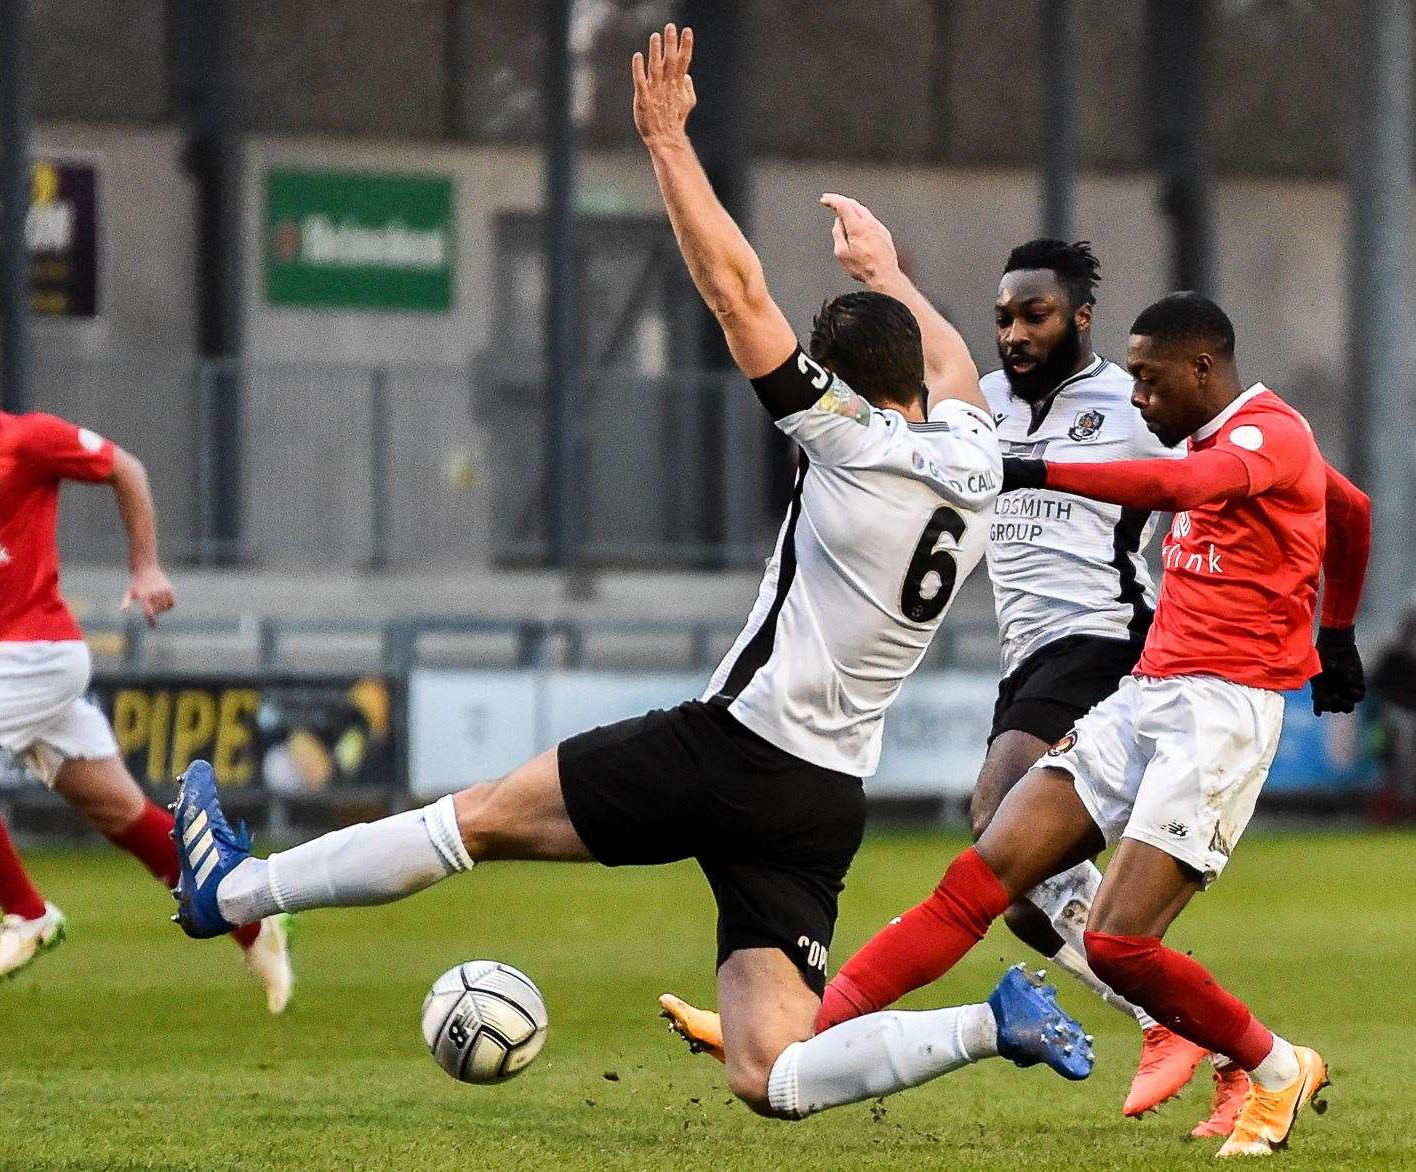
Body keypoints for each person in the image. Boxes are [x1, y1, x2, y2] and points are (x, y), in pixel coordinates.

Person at [169, 24, 1094, 1119]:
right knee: (769, 1072)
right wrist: (888, 272)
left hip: (732, 749)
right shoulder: (973, 448)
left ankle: (229, 887)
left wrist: (666, 144)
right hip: (821, 796)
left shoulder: (850, 436)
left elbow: (737, 293)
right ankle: (991, 1022)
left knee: (473, 821)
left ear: (838, 385)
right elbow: (946, 359)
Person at [792, 292, 1368, 1157]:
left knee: (1117, 942)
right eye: (1129, 378)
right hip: (1146, 694)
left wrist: (1036, 470)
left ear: (1201, 367)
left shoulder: (1267, 433)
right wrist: (1337, 632)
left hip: (1219, 715)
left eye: (1148, 378)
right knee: (980, 876)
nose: (1137, 398)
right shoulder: (1226, 438)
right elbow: (1350, 511)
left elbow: (1184, 486)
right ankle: (800, 1034)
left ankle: (1280, 1069)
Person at [660, 234, 1216, 1123]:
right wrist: (882, 280)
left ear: (1079, 319)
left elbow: (1216, 474)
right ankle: (1185, 1020)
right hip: (1026, 659)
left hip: (1106, 637)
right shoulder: (979, 407)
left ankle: (1166, 1018)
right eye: (1001, 318)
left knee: (994, 822)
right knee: (1025, 906)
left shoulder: (1127, 401)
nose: (1013, 334)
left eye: (1034, 316)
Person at [0, 317, 293, 1012]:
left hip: (41, 649)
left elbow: (124, 467)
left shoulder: (23, 438)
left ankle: (27, 914)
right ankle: (254, 919)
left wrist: (144, 567)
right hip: (3, 660)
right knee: (118, 812)